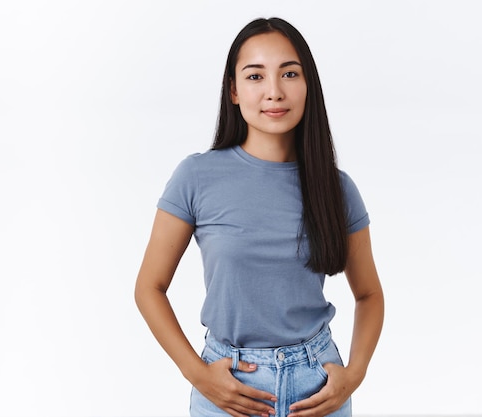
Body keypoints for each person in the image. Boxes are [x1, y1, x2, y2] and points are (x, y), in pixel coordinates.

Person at [134, 17, 384, 417]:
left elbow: (369, 294)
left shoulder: (336, 188)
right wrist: (197, 374)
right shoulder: (196, 177)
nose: (274, 91)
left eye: (289, 73)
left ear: (308, 85)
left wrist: (354, 374)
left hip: (316, 387)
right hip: (229, 388)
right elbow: (150, 286)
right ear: (233, 91)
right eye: (255, 76)